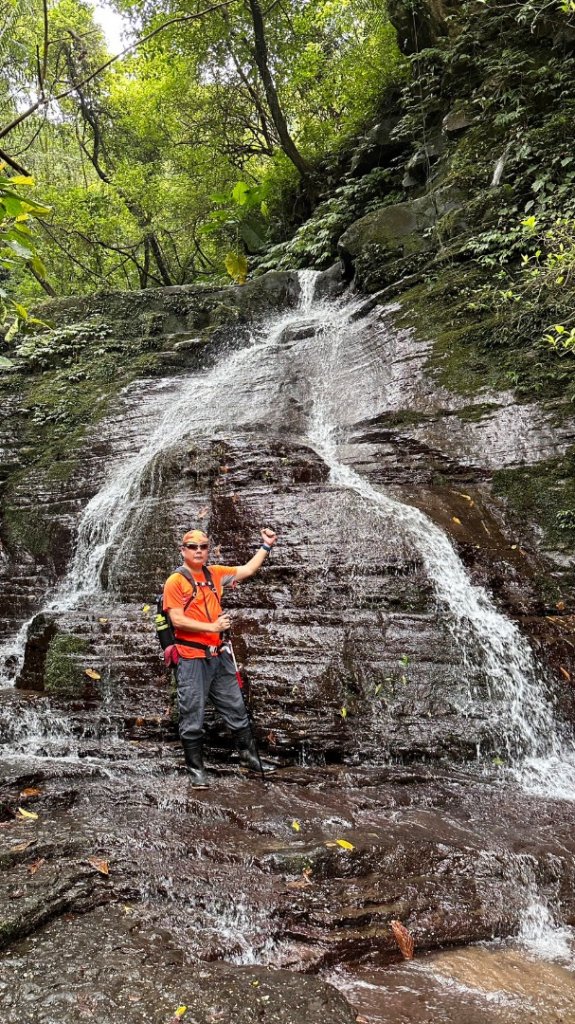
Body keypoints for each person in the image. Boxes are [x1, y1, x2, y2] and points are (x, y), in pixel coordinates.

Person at [163, 526, 277, 788]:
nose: (199, 550)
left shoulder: (214, 574)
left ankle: (249, 759)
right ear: (183, 550)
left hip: (219, 657)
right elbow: (177, 619)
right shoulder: (175, 581)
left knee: (236, 708)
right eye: (193, 546)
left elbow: (247, 570)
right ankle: (196, 770)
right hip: (191, 658)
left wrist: (266, 546)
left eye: (203, 546)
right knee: (192, 714)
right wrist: (212, 628)